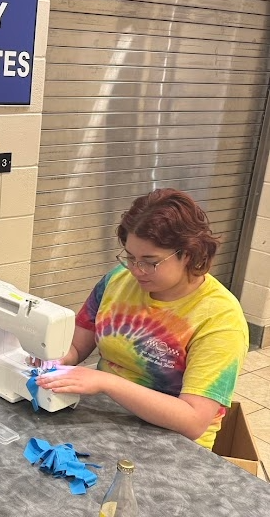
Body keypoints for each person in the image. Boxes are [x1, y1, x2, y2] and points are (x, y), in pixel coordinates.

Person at [36, 188, 249, 450]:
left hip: (174, 443)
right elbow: (79, 346)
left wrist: (107, 383)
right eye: (130, 257)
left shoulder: (220, 319)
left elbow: (193, 421)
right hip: (105, 419)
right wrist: (53, 359)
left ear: (190, 254)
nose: (136, 270)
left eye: (150, 261)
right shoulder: (118, 280)